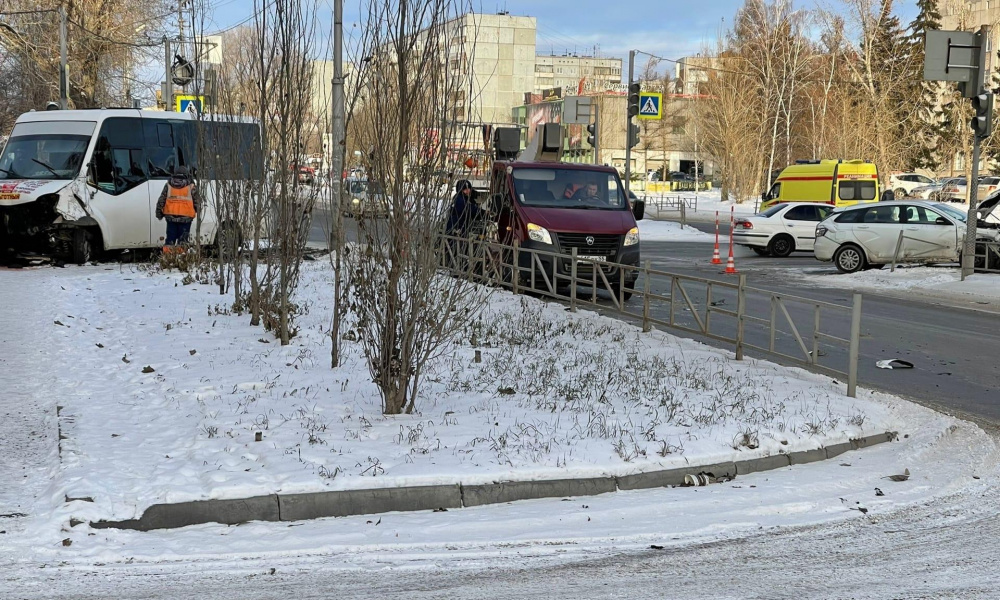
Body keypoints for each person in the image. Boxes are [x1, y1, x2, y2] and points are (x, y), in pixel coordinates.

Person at [155, 166, 202, 252]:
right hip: (186, 218)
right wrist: (196, 211)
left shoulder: (168, 185)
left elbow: (161, 200)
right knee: (183, 241)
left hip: (170, 217)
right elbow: (197, 202)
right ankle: (181, 260)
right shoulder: (191, 186)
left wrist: (159, 214)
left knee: (170, 240)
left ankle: (168, 259)